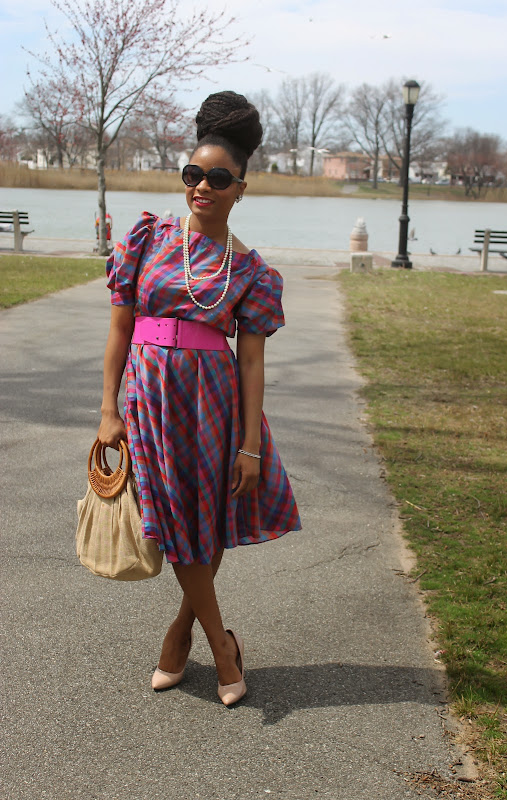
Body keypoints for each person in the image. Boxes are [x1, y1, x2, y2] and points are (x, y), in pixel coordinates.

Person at [97, 91, 301, 707]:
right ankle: (221, 647)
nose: (202, 187)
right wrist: (108, 409)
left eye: (217, 178)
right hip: (150, 399)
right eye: (193, 175)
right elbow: (119, 330)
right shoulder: (148, 239)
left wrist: (250, 446)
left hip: (212, 404)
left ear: (241, 188)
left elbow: (252, 361)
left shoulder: (252, 271)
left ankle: (181, 635)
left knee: (203, 522)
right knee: (173, 519)